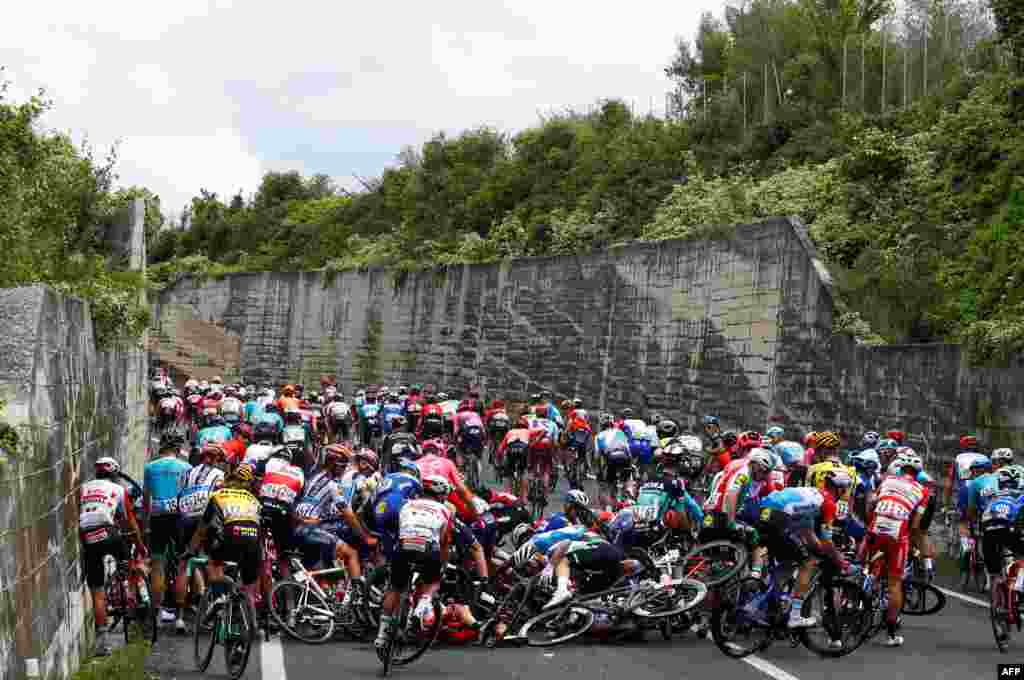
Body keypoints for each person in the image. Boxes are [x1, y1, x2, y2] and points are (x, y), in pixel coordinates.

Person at [754, 470, 853, 634]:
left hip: (763, 512)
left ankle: (765, 602)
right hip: (778, 517)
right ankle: (795, 615)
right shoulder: (828, 503)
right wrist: (840, 561)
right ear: (841, 489)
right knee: (808, 562)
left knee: (787, 561)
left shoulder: (812, 495)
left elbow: (807, 533)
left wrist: (822, 550)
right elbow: (827, 540)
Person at [375, 475, 455, 648]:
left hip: (404, 546)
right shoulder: (445, 510)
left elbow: (399, 530)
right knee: (433, 580)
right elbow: (444, 542)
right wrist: (443, 564)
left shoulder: (406, 504)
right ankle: (422, 606)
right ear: (441, 494)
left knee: (395, 588)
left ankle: (381, 635)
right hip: (427, 548)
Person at [183, 464, 262, 635]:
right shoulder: (253, 499)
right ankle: (253, 623)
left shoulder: (218, 495)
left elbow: (202, 528)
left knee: (214, 564)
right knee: (248, 586)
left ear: (227, 481)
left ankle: (218, 598)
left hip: (230, 537)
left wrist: (191, 549)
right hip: (252, 539)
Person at [81, 457, 147, 656]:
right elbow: (130, 522)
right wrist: (140, 544)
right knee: (132, 563)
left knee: (97, 591)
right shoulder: (119, 490)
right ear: (114, 474)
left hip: (87, 535)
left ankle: (102, 643)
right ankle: (134, 597)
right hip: (109, 533)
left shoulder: (83, 488)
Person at [863, 453, 928, 647]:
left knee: (866, 567)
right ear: (918, 473)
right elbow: (915, 525)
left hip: (876, 526)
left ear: (900, 469)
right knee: (894, 582)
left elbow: (870, 503)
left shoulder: (887, 479)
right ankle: (891, 634)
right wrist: (917, 546)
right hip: (897, 533)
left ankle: (856, 600)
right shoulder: (922, 491)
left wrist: (870, 522)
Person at [173, 443, 226, 633]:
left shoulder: (189, 472)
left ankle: (179, 618)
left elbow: (179, 495)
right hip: (205, 519)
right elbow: (220, 499)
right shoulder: (219, 475)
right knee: (212, 562)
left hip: (186, 518)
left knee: (184, 564)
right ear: (218, 459)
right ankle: (214, 607)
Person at [144, 433, 192, 627]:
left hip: (158, 517)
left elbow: (146, 498)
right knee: (182, 565)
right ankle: (180, 617)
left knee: (157, 564)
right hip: (180, 517)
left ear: (161, 448)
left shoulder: (150, 467)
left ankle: (156, 615)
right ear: (178, 450)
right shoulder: (187, 467)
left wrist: (146, 523)